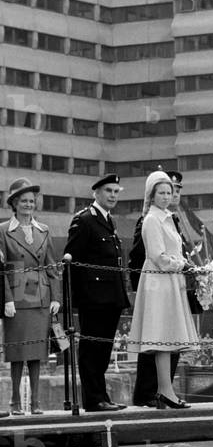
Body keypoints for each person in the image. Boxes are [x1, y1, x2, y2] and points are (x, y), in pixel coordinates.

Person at [128, 170, 201, 407]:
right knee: (161, 338)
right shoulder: (152, 219)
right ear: (152, 194)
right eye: (162, 192)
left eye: (169, 192)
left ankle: (166, 389)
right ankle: (164, 390)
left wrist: (181, 266)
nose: (166, 196)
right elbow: (158, 256)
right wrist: (184, 265)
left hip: (169, 281)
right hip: (159, 281)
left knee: (166, 338)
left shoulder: (166, 217)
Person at [64, 174, 130, 412]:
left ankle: (101, 396)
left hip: (110, 296)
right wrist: (75, 300)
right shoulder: (85, 220)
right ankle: (93, 399)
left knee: (103, 349)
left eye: (116, 191)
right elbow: (72, 260)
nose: (113, 195)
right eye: (108, 191)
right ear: (96, 193)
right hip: (93, 298)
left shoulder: (108, 220)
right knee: (91, 350)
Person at [0, 177, 60, 415]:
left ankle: (35, 403)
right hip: (16, 298)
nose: (28, 205)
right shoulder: (3, 231)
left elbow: (52, 266)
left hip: (41, 298)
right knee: (17, 353)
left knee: (36, 353)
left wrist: (56, 297)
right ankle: (15, 402)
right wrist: (6, 299)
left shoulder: (44, 230)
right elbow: (1, 269)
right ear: (13, 203)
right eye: (23, 201)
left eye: (31, 201)